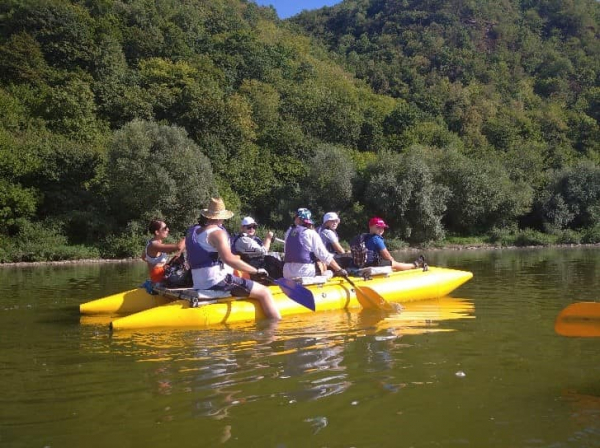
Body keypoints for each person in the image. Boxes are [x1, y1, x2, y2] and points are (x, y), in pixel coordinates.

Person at [185, 197, 281, 320]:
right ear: (221, 217)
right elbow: (229, 259)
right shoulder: (217, 233)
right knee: (265, 292)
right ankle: (275, 330)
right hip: (218, 281)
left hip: (199, 283)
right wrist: (255, 271)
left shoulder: (196, 232)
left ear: (208, 216)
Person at [283, 208, 347, 279]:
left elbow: (286, 251)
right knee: (329, 272)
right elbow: (324, 255)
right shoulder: (311, 233)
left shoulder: (288, 233)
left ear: (298, 219)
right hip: (304, 272)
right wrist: (339, 269)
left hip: (287, 271)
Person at [358, 217, 427, 271]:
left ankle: (402, 265)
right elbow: (387, 255)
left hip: (363, 264)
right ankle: (414, 265)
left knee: (390, 262)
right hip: (371, 265)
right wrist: (394, 262)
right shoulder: (377, 239)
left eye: (383, 228)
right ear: (370, 227)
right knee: (393, 263)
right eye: (378, 227)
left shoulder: (364, 237)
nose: (381, 229)